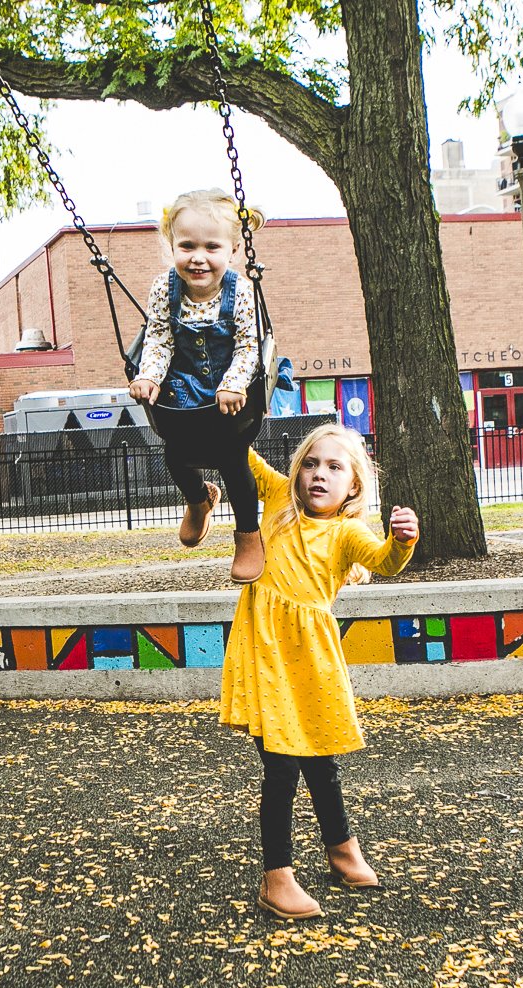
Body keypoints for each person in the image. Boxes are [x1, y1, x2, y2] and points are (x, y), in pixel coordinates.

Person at [218, 423, 421, 919]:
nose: (319, 474)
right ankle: (277, 877)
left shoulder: (346, 532)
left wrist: (403, 541)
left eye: (334, 467)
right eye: (310, 463)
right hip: (267, 656)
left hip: (312, 658)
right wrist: (229, 410)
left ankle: (341, 848)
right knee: (282, 766)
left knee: (322, 761)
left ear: (353, 485)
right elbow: (235, 452)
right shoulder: (275, 503)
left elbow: (385, 561)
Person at [129, 189, 267, 584]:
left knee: (232, 460)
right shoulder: (163, 288)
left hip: (232, 393)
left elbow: (249, 346)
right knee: (175, 456)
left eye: (211, 246)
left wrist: (234, 383)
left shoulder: (240, 292)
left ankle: (247, 536)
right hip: (183, 388)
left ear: (233, 250)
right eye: (186, 245)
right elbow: (158, 339)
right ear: (171, 245)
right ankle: (199, 500)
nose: (198, 257)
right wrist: (149, 376)